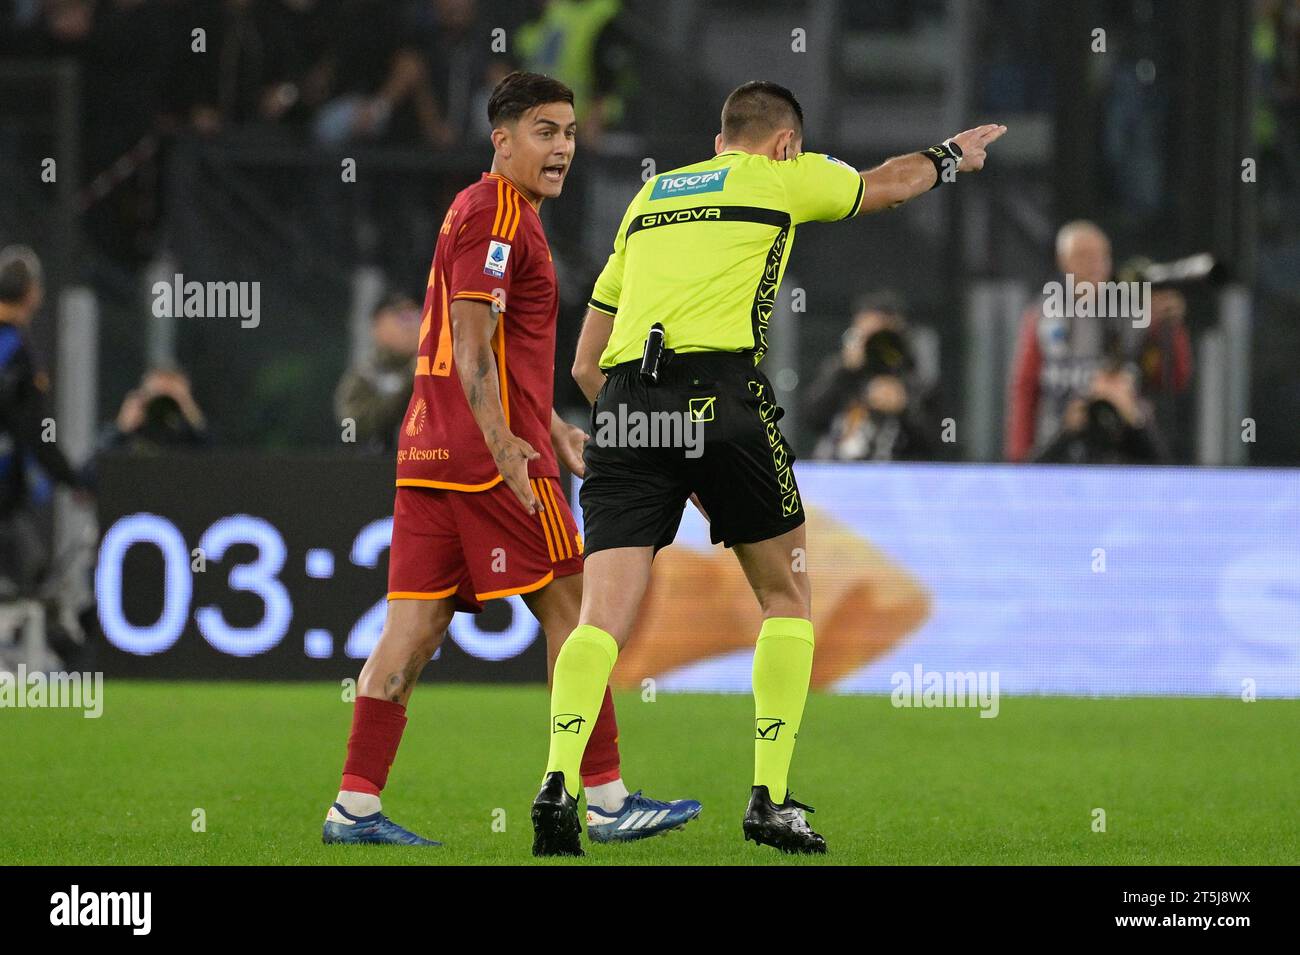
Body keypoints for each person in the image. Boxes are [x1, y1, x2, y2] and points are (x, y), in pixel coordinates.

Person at [531, 79, 1004, 856]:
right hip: (722, 397)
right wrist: (953, 156)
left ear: (719, 140)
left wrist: (641, 435)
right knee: (786, 595)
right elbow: (887, 184)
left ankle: (557, 782)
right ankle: (769, 799)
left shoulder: (650, 196)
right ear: (784, 142)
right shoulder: (781, 176)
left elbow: (584, 361)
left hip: (622, 400)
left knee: (599, 618)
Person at [322, 71, 699, 847]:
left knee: (415, 628)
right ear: (502, 140)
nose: (562, 147)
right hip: (487, 458)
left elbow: (499, 352)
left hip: (431, 451)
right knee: (574, 610)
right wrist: (508, 446)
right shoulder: (496, 210)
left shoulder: (491, 210)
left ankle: (353, 805)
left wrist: (555, 428)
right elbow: (470, 347)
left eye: (566, 132)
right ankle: (604, 795)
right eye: (544, 132)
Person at [0, 246, 90, 595]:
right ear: (32, 293)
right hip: (4, 494)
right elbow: (36, 429)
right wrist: (72, 478)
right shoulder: (18, 353)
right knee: (32, 585)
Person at [333, 294, 420, 454]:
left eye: (418, 316)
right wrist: (410, 379)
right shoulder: (365, 375)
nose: (412, 326)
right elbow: (350, 426)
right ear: (378, 324)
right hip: (376, 467)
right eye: (404, 317)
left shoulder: (437, 370)